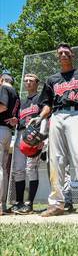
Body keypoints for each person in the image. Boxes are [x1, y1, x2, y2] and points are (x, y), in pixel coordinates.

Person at [35, 43, 78, 217]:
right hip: (56, 117)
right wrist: (41, 117)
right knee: (55, 161)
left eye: (66, 52)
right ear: (58, 57)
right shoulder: (52, 80)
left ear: (72, 54)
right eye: (60, 53)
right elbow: (47, 105)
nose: (63, 54)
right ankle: (57, 203)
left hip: (77, 114)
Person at [8, 73, 42, 214]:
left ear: (37, 82)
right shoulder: (21, 102)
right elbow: (17, 117)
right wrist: (15, 121)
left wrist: (42, 138)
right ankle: (19, 202)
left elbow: (46, 117)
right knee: (18, 169)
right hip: (20, 134)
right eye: (25, 80)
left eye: (31, 80)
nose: (27, 82)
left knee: (31, 168)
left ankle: (30, 203)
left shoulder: (41, 98)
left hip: (34, 135)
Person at [0, 72, 19, 215]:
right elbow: (15, 116)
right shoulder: (16, 94)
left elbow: (2, 106)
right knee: (4, 170)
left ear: (2, 80)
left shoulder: (4, 89)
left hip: (0, 129)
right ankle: (3, 205)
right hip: (8, 132)